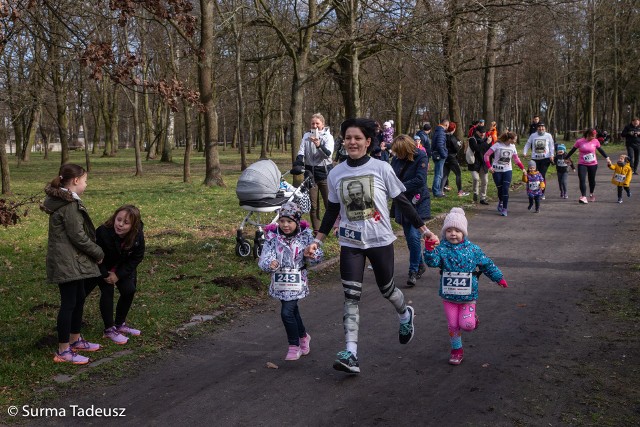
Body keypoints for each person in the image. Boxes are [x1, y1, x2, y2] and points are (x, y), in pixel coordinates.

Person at [304, 117, 439, 374]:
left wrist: (424, 230)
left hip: (379, 240)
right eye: (348, 138)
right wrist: (316, 240)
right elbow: (332, 209)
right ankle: (351, 353)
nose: (352, 142)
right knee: (350, 296)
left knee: (387, 289)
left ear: (368, 142)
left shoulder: (381, 168)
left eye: (358, 138)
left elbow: (402, 201)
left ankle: (404, 313)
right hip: (350, 241)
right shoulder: (336, 173)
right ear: (343, 141)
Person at [423, 207, 508, 365]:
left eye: (457, 230)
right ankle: (457, 351)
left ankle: (473, 320)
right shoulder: (441, 249)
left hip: (468, 296)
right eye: (449, 230)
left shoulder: (473, 250)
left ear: (464, 232)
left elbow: (487, 265)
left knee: (467, 325)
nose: (453, 234)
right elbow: (432, 262)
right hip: (448, 296)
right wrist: (429, 249)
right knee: (453, 325)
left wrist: (499, 278)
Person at [41, 163, 104, 365]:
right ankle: (63, 350)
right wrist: (98, 252)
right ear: (75, 181)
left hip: (73, 260)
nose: (86, 184)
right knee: (69, 303)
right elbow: (77, 235)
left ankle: (75, 340)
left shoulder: (66, 201)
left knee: (78, 299)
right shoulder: (68, 205)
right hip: (66, 261)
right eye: (85, 180)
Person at [258, 202, 322, 361]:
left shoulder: (305, 236)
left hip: (297, 280)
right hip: (279, 280)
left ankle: (294, 346)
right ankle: (303, 337)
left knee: (286, 312)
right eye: (282, 221)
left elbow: (318, 255)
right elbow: (264, 257)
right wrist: (270, 263)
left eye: (289, 221)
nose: (285, 225)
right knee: (293, 311)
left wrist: (312, 255)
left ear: (297, 222)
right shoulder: (272, 237)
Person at [84, 205, 145, 345]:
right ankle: (109, 329)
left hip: (121, 267)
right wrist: (106, 274)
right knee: (107, 291)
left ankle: (120, 324)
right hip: (101, 266)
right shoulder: (103, 231)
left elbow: (137, 256)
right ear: (114, 217)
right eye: (119, 220)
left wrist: (118, 275)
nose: (121, 224)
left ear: (134, 225)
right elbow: (94, 254)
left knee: (129, 290)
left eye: (126, 222)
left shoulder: (137, 235)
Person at [391, 134, 430, 287]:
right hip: (402, 201)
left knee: (414, 236)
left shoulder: (421, 157)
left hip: (417, 200)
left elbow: (421, 180)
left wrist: (399, 187)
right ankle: (420, 264)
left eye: (399, 152)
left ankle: (413, 270)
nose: (396, 155)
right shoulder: (395, 159)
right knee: (410, 238)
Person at [294, 113, 335, 232]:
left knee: (330, 203)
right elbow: (301, 151)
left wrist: (318, 145)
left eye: (318, 123)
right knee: (313, 205)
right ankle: (317, 230)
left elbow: (328, 155)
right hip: (310, 174)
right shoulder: (306, 135)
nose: (315, 125)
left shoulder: (328, 137)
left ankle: (333, 227)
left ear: (323, 124)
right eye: (313, 123)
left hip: (324, 173)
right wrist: (298, 163)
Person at [564, 128, 611, 204]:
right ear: (588, 135)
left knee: (591, 180)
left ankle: (591, 193)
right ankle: (583, 196)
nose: (593, 137)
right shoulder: (579, 141)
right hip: (582, 163)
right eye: (592, 136)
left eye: (594, 136)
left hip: (593, 164)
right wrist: (566, 158)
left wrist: (607, 158)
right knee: (582, 179)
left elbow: (601, 150)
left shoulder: (595, 141)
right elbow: (572, 150)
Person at [484, 131, 525, 217]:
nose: (516, 141)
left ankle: (504, 208)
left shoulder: (513, 147)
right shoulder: (497, 145)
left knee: (505, 189)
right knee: (500, 189)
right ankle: (501, 201)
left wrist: (523, 168)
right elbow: (486, 155)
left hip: (507, 170)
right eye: (515, 139)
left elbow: (516, 159)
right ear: (510, 139)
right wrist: (489, 167)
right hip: (496, 171)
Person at [523, 122, 555, 199]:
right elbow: (528, 144)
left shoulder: (548, 135)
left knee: (542, 175)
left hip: (545, 158)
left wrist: (552, 155)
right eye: (539, 127)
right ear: (537, 128)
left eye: (542, 127)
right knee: (532, 175)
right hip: (535, 159)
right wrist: (524, 152)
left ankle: (542, 193)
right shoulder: (533, 135)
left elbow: (551, 146)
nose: (541, 129)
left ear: (545, 128)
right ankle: (532, 191)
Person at [442, 121, 469, 197]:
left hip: (445, 157)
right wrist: (459, 145)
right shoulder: (452, 138)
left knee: (445, 175)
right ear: (454, 129)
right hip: (452, 158)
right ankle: (460, 191)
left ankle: (441, 191)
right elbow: (457, 148)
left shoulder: (443, 136)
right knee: (458, 174)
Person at [467, 125, 492, 205]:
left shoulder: (487, 139)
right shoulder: (472, 139)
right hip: (474, 162)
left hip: (484, 163)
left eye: (484, 132)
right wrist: (486, 143)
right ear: (477, 132)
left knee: (485, 181)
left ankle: (483, 198)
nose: (482, 134)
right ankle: (475, 193)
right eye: (481, 133)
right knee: (476, 178)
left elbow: (490, 151)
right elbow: (476, 148)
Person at [431, 118, 449, 197]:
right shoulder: (441, 133)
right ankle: (436, 191)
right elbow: (440, 145)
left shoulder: (436, 131)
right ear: (446, 124)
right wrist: (444, 154)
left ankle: (436, 190)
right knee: (439, 174)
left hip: (436, 154)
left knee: (438, 174)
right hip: (439, 156)